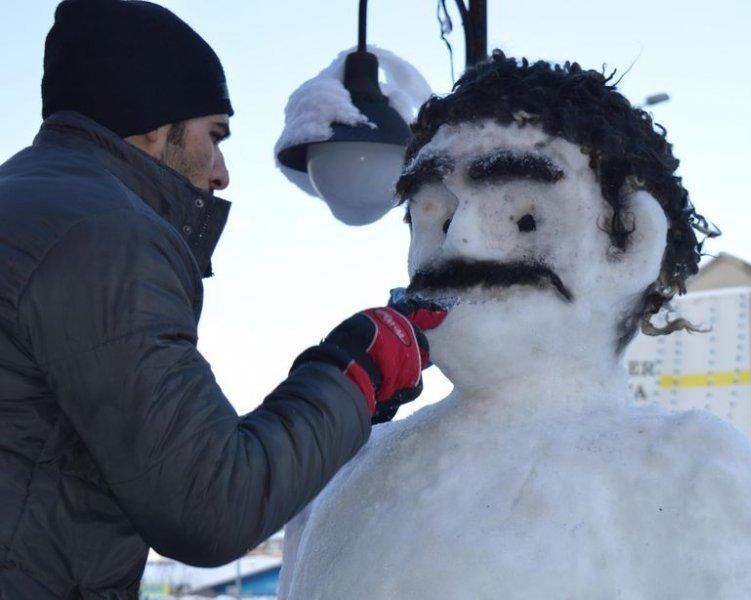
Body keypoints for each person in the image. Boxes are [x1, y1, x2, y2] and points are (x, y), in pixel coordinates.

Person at [278, 52, 751, 599]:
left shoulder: (685, 469)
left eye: (523, 219)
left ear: (631, 244)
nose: (458, 241)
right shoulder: (350, 463)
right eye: (435, 216)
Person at [0, 1, 445, 597]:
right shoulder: (107, 238)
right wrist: (356, 370)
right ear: (152, 121)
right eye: (213, 135)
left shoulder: (31, 208)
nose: (222, 172)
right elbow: (210, 504)